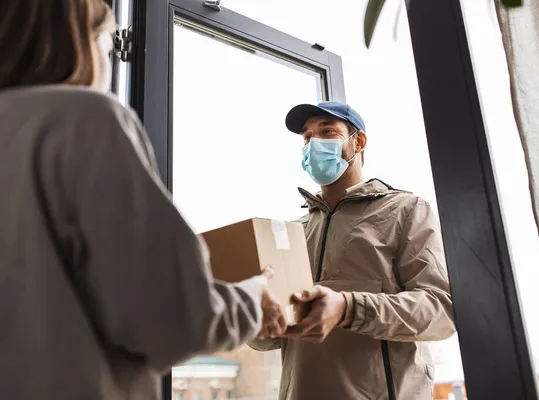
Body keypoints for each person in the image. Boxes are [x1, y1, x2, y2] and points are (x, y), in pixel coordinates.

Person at [0, 1, 286, 399]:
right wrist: (253, 298)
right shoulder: (83, 119)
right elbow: (172, 317)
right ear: (80, 40)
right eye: (105, 38)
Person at [250, 101, 456, 400]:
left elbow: (440, 311)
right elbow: (271, 340)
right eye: (307, 137)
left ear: (357, 142)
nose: (313, 144)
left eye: (327, 131)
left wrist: (348, 308)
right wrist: (253, 315)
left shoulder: (406, 210)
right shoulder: (293, 232)